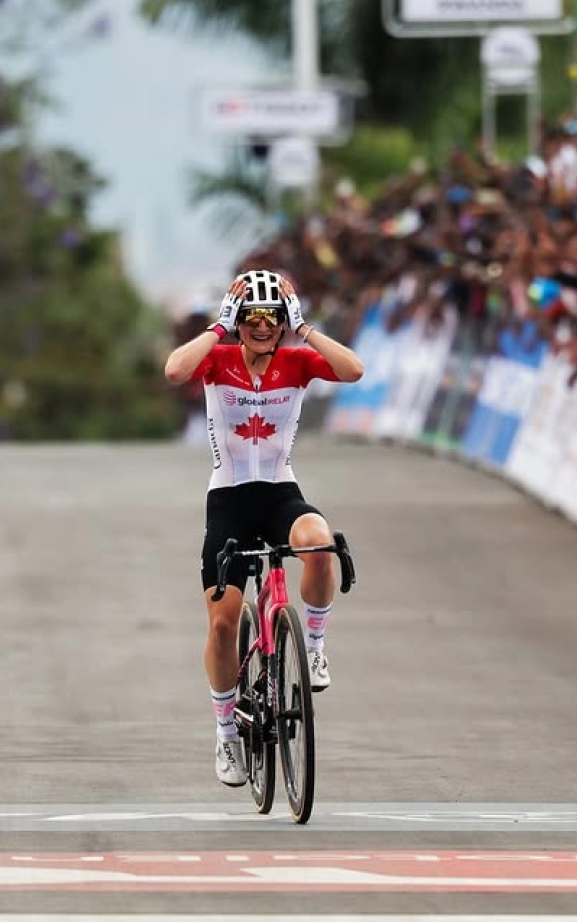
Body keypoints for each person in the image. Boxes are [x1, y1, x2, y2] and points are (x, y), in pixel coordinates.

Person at [163, 269, 364, 787]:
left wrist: (306, 326)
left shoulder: (297, 361)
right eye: (251, 317)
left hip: (279, 492)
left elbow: (354, 370)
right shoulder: (217, 359)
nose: (261, 327)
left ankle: (314, 646)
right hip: (228, 500)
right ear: (238, 320)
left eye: (271, 318)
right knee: (224, 623)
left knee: (319, 542)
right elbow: (173, 370)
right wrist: (218, 327)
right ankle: (227, 733)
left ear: (281, 322)